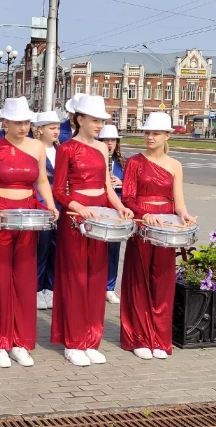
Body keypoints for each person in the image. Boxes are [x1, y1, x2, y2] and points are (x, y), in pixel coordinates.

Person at [0, 97, 59, 368]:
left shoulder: (36, 147)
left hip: (28, 215)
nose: (23, 127)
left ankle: (20, 341)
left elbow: (42, 179)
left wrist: (52, 205)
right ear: (5, 122)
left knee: (23, 278)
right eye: (18, 122)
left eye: (27, 122)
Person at [50, 95, 134, 367]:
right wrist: (78, 207)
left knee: (96, 279)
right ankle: (73, 342)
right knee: (76, 279)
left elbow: (107, 187)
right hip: (76, 218)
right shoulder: (66, 148)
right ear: (79, 119)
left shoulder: (101, 149)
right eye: (95, 120)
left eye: (102, 121)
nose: (100, 125)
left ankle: (91, 338)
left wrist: (120, 207)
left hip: (100, 216)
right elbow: (57, 190)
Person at [120, 112, 196, 360]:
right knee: (139, 279)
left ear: (167, 136)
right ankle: (139, 337)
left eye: (155, 133)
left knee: (162, 281)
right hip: (143, 225)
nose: (149, 137)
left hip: (166, 227)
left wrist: (185, 216)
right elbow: (128, 198)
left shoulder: (175, 165)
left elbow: (179, 202)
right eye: (147, 132)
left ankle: (160, 339)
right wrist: (144, 213)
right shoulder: (134, 162)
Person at [32, 111, 60, 311]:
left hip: (59, 205)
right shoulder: (33, 149)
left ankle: (50, 287)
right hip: (40, 204)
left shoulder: (61, 150)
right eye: (52, 128)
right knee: (40, 249)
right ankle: (36, 288)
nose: (56, 132)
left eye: (58, 128)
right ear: (40, 130)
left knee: (55, 248)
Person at [97, 125, 126, 305]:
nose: (109, 144)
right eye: (106, 140)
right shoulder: (93, 159)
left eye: (112, 140)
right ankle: (96, 286)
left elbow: (132, 188)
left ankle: (109, 287)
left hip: (116, 211)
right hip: (99, 209)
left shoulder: (123, 163)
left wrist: (122, 183)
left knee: (113, 250)